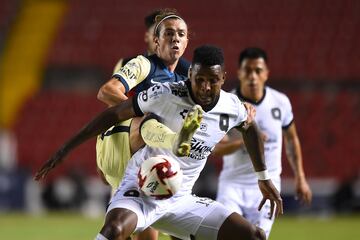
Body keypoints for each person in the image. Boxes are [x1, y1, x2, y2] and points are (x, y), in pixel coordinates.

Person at [35, 45, 283, 240]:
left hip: (181, 197)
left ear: (223, 78)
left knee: (254, 235)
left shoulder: (232, 106)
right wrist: (65, 148)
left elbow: (249, 129)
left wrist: (263, 176)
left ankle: (178, 141)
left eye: (213, 80)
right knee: (114, 230)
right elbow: (114, 113)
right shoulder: (165, 93)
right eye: (200, 79)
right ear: (190, 73)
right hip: (142, 188)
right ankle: (175, 140)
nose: (205, 87)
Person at [213, 47, 312, 238]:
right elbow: (216, 149)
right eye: (247, 70)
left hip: (267, 184)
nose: (252, 76)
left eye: (258, 71)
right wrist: (247, 141)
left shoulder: (280, 102)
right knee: (225, 235)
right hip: (232, 185)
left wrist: (300, 176)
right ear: (239, 73)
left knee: (257, 237)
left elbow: (291, 139)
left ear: (266, 74)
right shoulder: (226, 104)